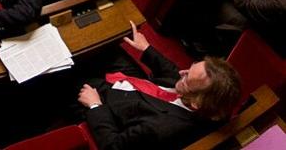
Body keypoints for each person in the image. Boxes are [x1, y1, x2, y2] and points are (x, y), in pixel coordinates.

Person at [77, 22, 241, 150]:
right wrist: (146, 48)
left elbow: (113, 146)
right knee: (105, 44)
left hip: (108, 101)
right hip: (139, 86)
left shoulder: (159, 129)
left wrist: (95, 106)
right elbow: (173, 72)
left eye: (187, 78)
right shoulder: (213, 101)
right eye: (190, 68)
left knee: (71, 68)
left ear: (196, 103)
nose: (181, 72)